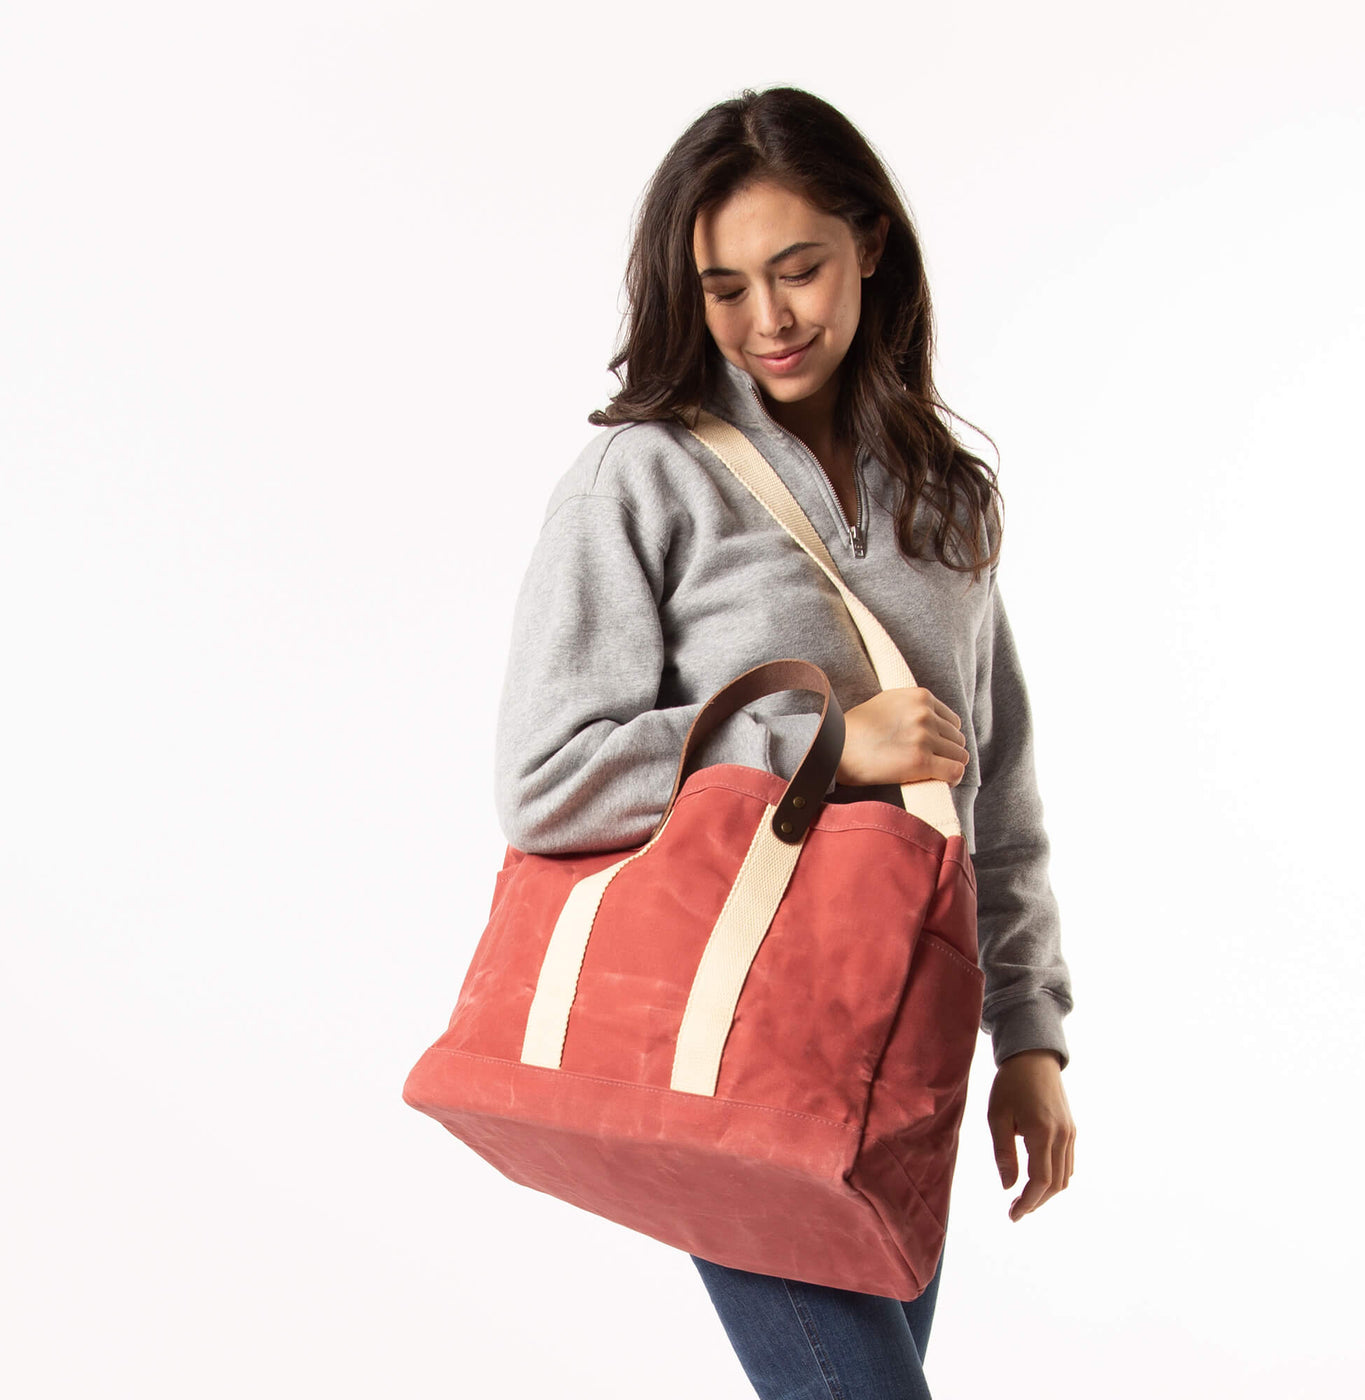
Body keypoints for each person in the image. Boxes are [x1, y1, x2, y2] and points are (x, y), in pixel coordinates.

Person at [492, 85, 1076, 1400]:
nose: (770, 318)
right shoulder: (642, 477)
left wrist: (1031, 1037)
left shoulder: (944, 493)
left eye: (799, 268)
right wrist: (816, 745)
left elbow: (997, 795)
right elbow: (546, 780)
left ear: (870, 243)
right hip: (737, 1043)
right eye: (724, 288)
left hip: (904, 1052)